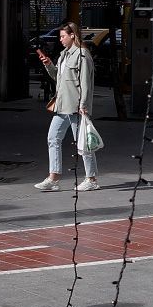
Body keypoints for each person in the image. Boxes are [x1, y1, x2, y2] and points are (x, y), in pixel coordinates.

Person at [35, 22, 99, 192]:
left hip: (76, 106)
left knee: (83, 142)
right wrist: (49, 64)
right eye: (60, 36)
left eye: (63, 36)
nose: (61, 39)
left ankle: (91, 179)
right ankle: (53, 178)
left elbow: (85, 83)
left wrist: (84, 104)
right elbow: (59, 78)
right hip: (62, 105)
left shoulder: (82, 55)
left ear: (72, 35)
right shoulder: (64, 55)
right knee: (53, 138)